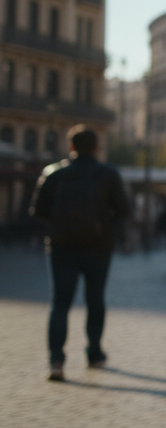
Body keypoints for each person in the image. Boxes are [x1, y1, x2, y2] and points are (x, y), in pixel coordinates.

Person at [30, 126, 130, 382]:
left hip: (62, 247)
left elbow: (38, 211)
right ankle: (94, 353)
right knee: (95, 300)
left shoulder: (54, 173)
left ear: (71, 147)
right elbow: (123, 210)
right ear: (96, 147)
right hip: (98, 247)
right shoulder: (108, 174)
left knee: (60, 303)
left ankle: (56, 361)